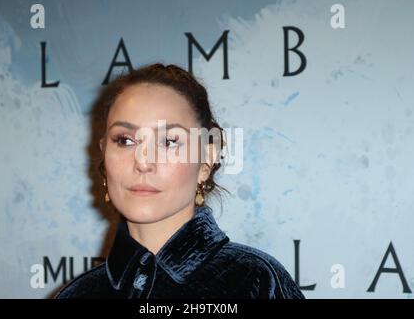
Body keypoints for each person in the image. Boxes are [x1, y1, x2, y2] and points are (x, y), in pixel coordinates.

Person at [56, 63, 304, 299]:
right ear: (104, 155)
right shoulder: (77, 294)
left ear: (206, 160)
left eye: (168, 141)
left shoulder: (255, 281)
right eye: (125, 140)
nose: (143, 162)